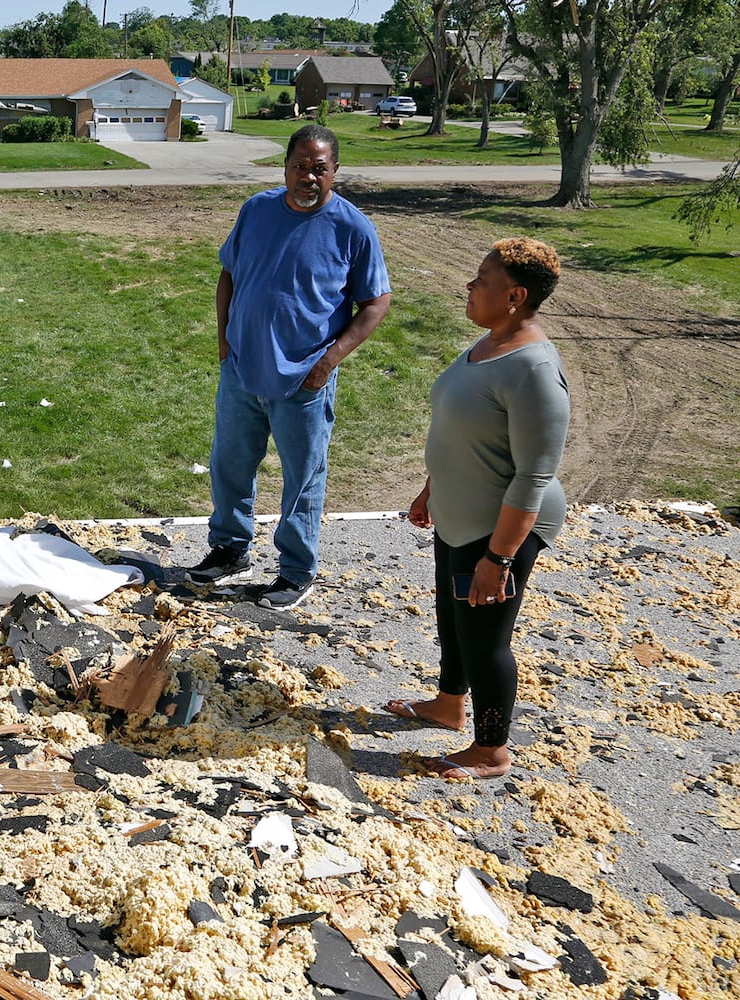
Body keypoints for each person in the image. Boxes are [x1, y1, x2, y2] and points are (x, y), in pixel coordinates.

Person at [386, 237, 569, 780]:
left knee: (486, 640)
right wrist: (430, 488)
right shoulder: (488, 343)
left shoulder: (533, 369)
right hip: (459, 510)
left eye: (482, 279)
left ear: (514, 295)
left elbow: (533, 474)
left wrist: (499, 558)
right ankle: (448, 705)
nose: (470, 285)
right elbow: (463, 433)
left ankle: (491, 750)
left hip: (502, 526)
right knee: (453, 617)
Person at [188, 124, 392, 609]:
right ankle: (230, 549)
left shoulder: (353, 228)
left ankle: (296, 571)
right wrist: (223, 344)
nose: (308, 177)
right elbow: (228, 275)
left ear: (334, 172)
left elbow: (376, 302)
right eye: (299, 166)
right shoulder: (256, 210)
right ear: (285, 167)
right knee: (230, 465)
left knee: (302, 476)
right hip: (241, 370)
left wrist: (328, 362)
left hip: (304, 379)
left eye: (318, 169)